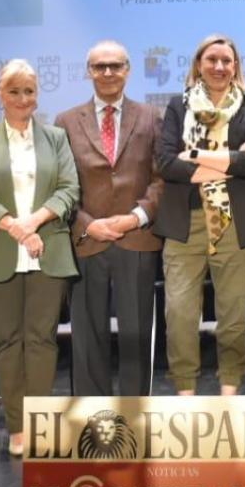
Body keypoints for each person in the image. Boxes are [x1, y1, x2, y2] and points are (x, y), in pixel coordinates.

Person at [0, 59, 79, 457]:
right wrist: (15, 227)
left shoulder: (56, 138)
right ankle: (17, 427)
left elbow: (68, 189)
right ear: (0, 94)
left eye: (29, 91)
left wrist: (33, 222)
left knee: (42, 341)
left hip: (48, 249)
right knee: (8, 342)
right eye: (14, 91)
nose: (22, 98)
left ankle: (40, 424)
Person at [153, 34, 245, 396]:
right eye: (212, 60)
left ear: (236, 67)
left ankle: (229, 392)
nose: (220, 67)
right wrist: (230, 161)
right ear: (198, 65)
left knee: (233, 316)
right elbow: (166, 163)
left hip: (234, 221)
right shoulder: (178, 106)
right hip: (184, 222)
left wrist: (196, 157)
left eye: (227, 61)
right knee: (180, 314)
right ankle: (186, 393)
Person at [53, 40, 163, 396]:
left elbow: (162, 179)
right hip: (87, 240)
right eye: (100, 66)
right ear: (88, 72)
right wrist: (88, 224)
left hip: (137, 238)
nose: (108, 73)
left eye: (115, 65)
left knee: (135, 332)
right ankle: (91, 415)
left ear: (128, 70)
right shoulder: (66, 121)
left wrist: (135, 217)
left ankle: (134, 416)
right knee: (87, 335)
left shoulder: (151, 116)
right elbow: (60, 184)